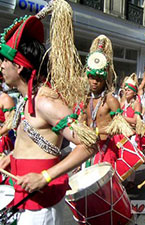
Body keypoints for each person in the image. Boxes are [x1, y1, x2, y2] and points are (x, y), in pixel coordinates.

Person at [0, 1, 97, 224]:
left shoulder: (45, 101)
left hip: (41, 206)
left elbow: (90, 144)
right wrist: (11, 158)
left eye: (5, 60)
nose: (1, 66)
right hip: (26, 198)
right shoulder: (28, 99)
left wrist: (45, 176)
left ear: (19, 67)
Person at [84, 35, 123, 168]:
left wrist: (96, 131)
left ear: (104, 79)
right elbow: (82, 121)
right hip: (88, 148)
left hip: (106, 150)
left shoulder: (110, 100)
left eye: (99, 78)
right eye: (92, 77)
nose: (95, 81)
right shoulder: (86, 99)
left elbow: (120, 129)